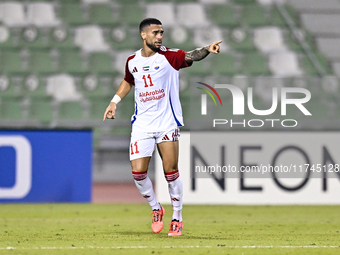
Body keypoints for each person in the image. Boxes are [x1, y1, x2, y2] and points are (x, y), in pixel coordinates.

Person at [103, 18, 221, 236]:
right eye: (156, 33)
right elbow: (128, 81)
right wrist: (114, 102)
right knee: (138, 173)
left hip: (167, 122)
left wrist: (206, 49)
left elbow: (190, 55)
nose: (159, 37)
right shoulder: (132, 61)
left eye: (162, 33)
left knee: (171, 172)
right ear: (143, 35)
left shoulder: (169, 56)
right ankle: (156, 208)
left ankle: (177, 218)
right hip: (142, 125)